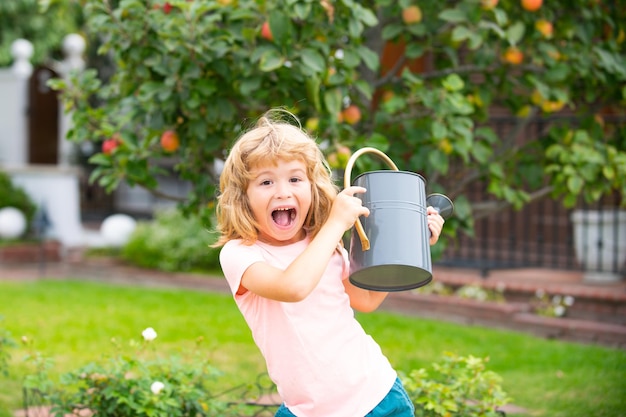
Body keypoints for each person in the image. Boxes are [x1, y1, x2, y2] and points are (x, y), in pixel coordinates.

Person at [213, 110, 445, 417]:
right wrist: (335, 225)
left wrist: (414, 246)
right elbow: (292, 287)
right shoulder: (240, 253)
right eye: (266, 182)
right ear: (242, 197)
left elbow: (366, 299)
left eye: (295, 179)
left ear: (312, 187)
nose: (283, 191)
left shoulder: (325, 245)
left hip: (375, 397)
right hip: (306, 410)